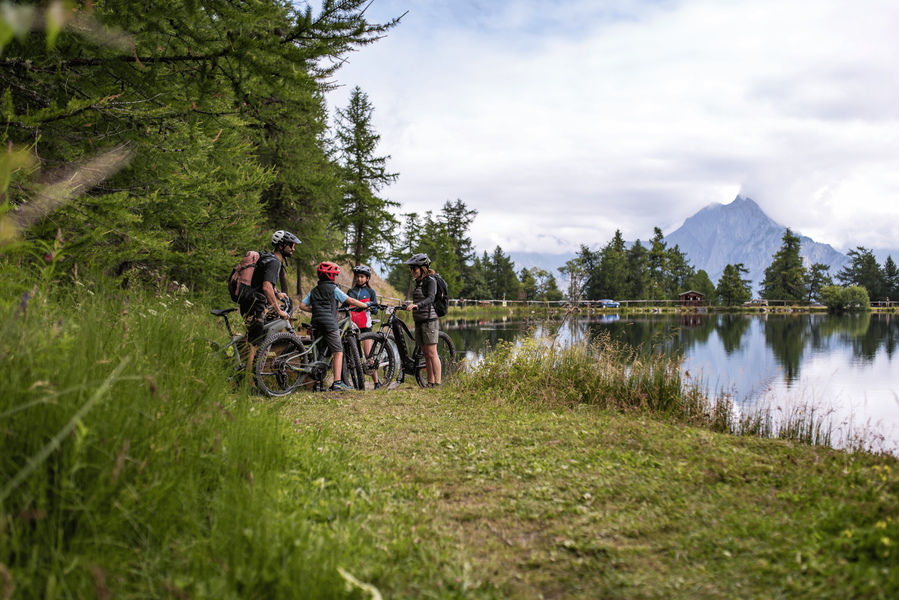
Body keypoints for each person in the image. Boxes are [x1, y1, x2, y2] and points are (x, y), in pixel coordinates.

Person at [297, 261, 370, 392]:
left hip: (316, 324)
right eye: (335, 275)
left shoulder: (314, 290)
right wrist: (366, 305)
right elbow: (351, 301)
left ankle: (318, 383)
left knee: (321, 353)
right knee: (338, 351)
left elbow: (302, 306)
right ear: (331, 277)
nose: (336, 278)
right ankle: (337, 382)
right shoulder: (334, 289)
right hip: (330, 324)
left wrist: (317, 310)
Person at [238, 230, 299, 370]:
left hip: (249, 302)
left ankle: (251, 374)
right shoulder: (274, 262)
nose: (293, 249)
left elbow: (261, 281)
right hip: (255, 305)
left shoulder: (268, 258)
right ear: (281, 246)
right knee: (254, 344)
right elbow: (266, 288)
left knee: (256, 338)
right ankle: (249, 383)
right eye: (291, 245)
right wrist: (279, 310)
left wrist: (277, 293)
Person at [404, 253, 441, 387]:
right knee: (425, 353)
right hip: (419, 319)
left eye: (414, 268)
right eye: (411, 269)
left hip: (429, 320)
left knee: (432, 353)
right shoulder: (418, 282)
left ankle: (437, 383)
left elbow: (431, 298)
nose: (412, 271)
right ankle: (430, 382)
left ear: (423, 268)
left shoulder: (430, 280)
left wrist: (417, 305)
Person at [348, 265, 383, 389]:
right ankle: (358, 383)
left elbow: (375, 310)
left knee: (368, 355)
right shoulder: (350, 291)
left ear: (367, 278)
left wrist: (369, 308)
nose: (359, 279)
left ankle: (376, 382)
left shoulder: (370, 292)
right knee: (355, 354)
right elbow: (344, 305)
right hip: (352, 326)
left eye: (362, 277)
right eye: (357, 276)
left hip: (365, 326)